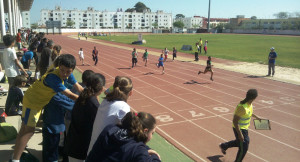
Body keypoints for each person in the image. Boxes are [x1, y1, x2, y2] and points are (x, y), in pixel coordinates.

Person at [11, 54, 84, 161]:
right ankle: (15, 159)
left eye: (68, 71)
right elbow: (71, 95)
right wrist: (87, 102)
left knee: (25, 130)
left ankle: (15, 155)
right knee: (28, 131)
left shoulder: (67, 73)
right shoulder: (53, 77)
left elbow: (79, 87)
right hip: (32, 102)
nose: (64, 74)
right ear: (59, 66)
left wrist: (89, 96)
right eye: (62, 70)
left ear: (72, 70)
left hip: (38, 102)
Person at [86, 112, 161, 162]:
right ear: (145, 131)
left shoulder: (110, 129)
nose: (152, 136)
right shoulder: (138, 151)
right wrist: (155, 156)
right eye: (152, 133)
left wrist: (146, 149)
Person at [87, 76, 133, 155]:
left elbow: (108, 91)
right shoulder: (123, 107)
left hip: (91, 152)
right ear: (131, 93)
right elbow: (129, 134)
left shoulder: (105, 101)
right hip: (102, 154)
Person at [65, 73, 106, 162]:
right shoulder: (93, 104)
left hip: (73, 142)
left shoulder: (83, 97)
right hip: (81, 147)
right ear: (102, 89)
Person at [219, 89, 261, 162]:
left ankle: (224, 145)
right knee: (244, 146)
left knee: (240, 142)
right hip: (239, 128)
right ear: (254, 98)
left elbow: (248, 113)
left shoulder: (249, 104)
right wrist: (240, 134)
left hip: (244, 128)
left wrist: (257, 117)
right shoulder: (242, 107)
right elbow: (235, 122)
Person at [42, 92, 75, 162]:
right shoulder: (54, 95)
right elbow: (70, 105)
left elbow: (65, 98)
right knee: (51, 153)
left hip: (51, 126)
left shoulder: (54, 92)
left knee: (50, 150)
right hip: (52, 128)